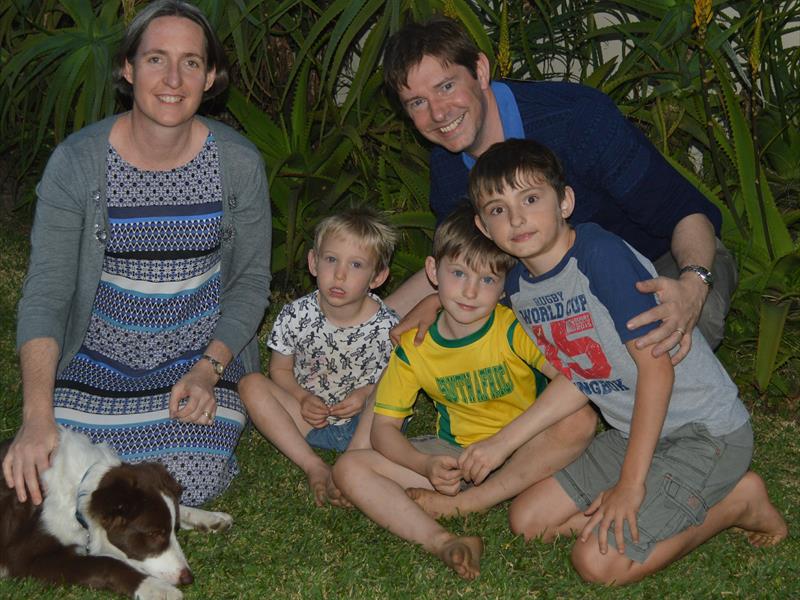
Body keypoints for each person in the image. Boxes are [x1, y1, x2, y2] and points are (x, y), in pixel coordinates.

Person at [466, 138, 786, 585]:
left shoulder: (599, 256)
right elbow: (581, 376)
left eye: (531, 199)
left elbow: (658, 368)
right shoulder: (520, 288)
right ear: (483, 226)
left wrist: (630, 487)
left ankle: (740, 502)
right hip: (634, 431)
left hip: (704, 432)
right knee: (529, 521)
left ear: (564, 202)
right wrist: (500, 444)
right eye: (498, 209)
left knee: (598, 565)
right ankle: (654, 493)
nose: (516, 218)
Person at [4, 0, 271, 507]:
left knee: (187, 480)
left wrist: (208, 369)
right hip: (98, 356)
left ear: (209, 77)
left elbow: (251, 284)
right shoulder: (77, 162)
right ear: (128, 68)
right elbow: (47, 293)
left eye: (190, 62)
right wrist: (36, 417)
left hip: (200, 356)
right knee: (54, 471)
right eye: (155, 59)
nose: (173, 79)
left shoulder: (237, 163)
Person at [382, 16, 737, 364]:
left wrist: (693, 285)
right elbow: (461, 259)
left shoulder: (576, 120)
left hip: (659, 261)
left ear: (481, 70)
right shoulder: (447, 169)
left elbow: (686, 213)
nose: (438, 113)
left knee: (673, 339)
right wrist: (373, 327)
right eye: (417, 102)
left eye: (446, 87)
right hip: (551, 294)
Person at [333, 206, 596, 580]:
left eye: (487, 279)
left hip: (527, 450)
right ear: (432, 271)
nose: (471, 291)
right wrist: (424, 466)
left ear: (504, 287)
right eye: (458, 274)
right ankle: (443, 541)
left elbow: (573, 379)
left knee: (578, 418)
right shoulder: (415, 346)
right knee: (350, 468)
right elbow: (384, 430)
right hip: (457, 459)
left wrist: (502, 444)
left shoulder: (512, 328)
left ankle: (471, 503)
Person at [239, 208, 398, 507]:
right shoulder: (296, 315)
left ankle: (355, 462)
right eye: (331, 259)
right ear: (314, 262)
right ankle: (313, 465)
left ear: (377, 277)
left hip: (366, 428)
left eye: (356, 264)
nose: (340, 274)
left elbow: (398, 383)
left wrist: (365, 394)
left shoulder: (387, 326)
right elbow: (280, 370)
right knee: (250, 384)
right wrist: (302, 397)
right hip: (309, 420)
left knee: (389, 392)